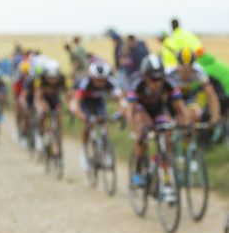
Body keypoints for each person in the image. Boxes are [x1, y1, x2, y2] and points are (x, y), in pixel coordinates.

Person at [127, 54, 189, 192]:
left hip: (158, 111)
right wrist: (137, 132)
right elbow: (130, 112)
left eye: (160, 78)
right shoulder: (137, 84)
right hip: (141, 111)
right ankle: (137, 170)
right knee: (142, 137)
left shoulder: (169, 82)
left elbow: (180, 109)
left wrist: (185, 127)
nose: (157, 83)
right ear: (145, 77)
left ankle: (161, 163)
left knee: (168, 133)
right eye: (153, 79)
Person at [73, 61, 127, 170]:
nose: (100, 82)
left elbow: (121, 100)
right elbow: (76, 103)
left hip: (98, 102)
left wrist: (119, 113)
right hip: (85, 103)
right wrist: (82, 116)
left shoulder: (111, 82)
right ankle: (84, 151)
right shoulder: (85, 83)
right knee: (87, 126)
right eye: (97, 79)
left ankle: (106, 152)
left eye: (103, 79)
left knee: (104, 124)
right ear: (92, 77)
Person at [166, 48, 220, 125]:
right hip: (171, 98)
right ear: (177, 65)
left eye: (189, 69)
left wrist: (214, 119)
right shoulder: (169, 72)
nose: (186, 72)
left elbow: (211, 94)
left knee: (194, 116)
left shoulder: (198, 71)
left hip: (187, 96)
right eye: (183, 69)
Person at [33, 59, 73, 157]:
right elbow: (37, 97)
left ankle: (59, 142)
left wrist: (70, 107)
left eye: (54, 77)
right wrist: (39, 109)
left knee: (59, 116)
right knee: (43, 112)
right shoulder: (40, 79)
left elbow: (68, 96)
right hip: (44, 99)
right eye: (50, 77)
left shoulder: (63, 79)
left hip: (55, 99)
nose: (52, 80)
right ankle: (39, 135)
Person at [12, 61, 31, 148]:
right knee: (18, 111)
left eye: (27, 71)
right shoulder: (17, 80)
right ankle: (17, 129)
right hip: (19, 98)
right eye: (24, 72)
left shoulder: (31, 79)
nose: (25, 73)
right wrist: (17, 102)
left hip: (28, 98)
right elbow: (15, 93)